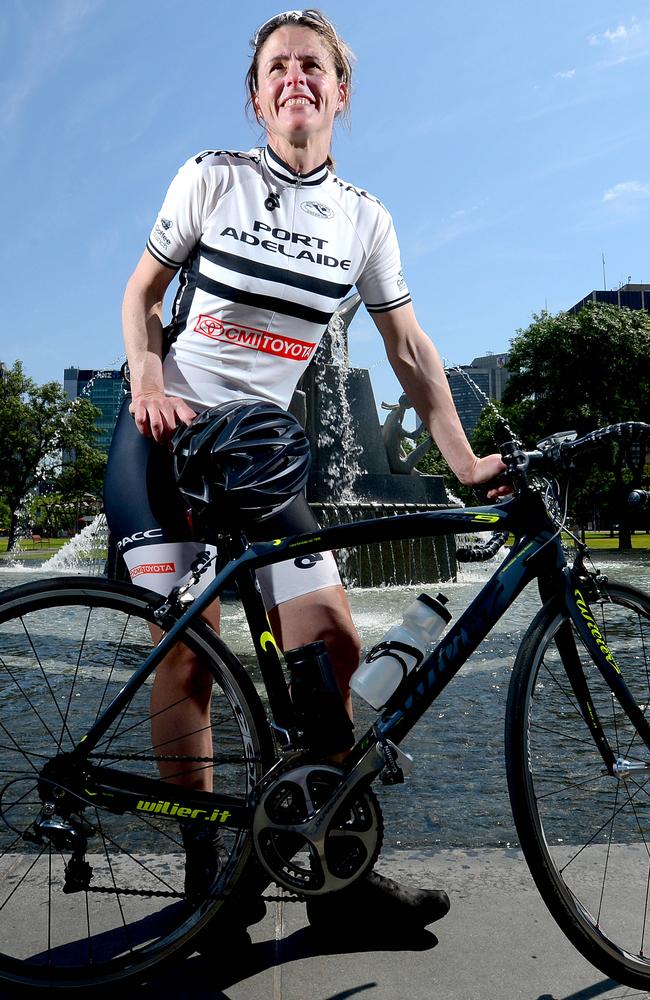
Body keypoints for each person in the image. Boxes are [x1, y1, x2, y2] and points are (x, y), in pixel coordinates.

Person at [104, 8, 506, 942]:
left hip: (256, 455)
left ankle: (332, 876)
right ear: (257, 95)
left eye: (312, 66)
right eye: (278, 66)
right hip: (165, 442)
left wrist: (463, 460)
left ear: (340, 90)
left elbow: (407, 346)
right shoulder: (212, 177)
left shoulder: (365, 218)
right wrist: (151, 379)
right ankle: (214, 885)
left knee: (333, 652)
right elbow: (142, 294)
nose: (295, 77)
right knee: (190, 660)